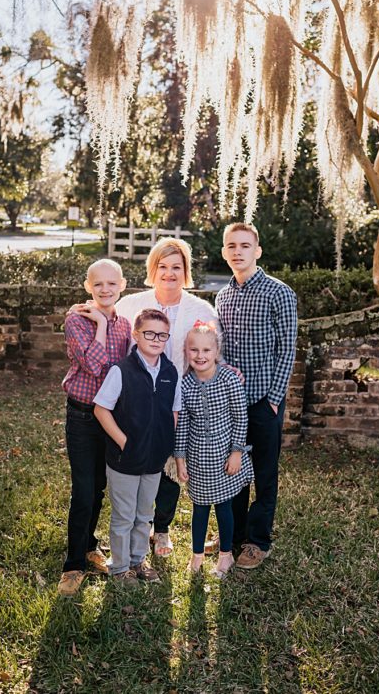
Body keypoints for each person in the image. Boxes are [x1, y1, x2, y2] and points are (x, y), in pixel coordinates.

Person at [113, 237, 216, 558]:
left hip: (179, 400)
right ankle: (132, 526)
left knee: (169, 466)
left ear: (185, 271)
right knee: (136, 462)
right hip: (137, 401)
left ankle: (162, 529)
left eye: (176, 267)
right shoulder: (130, 305)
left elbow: (212, 353)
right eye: (163, 266)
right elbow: (110, 331)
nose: (169, 273)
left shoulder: (201, 310)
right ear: (152, 269)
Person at [214, 223, 298, 569]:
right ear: (224, 252)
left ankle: (257, 541)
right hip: (231, 405)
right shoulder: (222, 296)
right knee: (231, 471)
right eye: (231, 246)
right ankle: (231, 537)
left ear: (257, 251)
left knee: (263, 474)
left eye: (245, 245)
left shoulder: (278, 292)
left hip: (264, 401)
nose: (238, 251)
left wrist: (274, 399)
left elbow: (287, 348)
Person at [58, 258, 132, 597]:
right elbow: (94, 364)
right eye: (98, 284)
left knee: (100, 487)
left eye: (111, 284)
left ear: (122, 285)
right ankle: (73, 565)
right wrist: (100, 325)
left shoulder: (125, 324)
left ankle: (90, 547)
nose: (105, 289)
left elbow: (122, 371)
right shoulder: (76, 319)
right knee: (83, 491)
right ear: (88, 287)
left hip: (110, 417)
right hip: (82, 417)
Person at [92, 308, 181, 585]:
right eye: (149, 333)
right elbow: (101, 409)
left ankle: (137, 561)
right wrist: (125, 442)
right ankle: (119, 569)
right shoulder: (122, 371)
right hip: (125, 458)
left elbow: (174, 411)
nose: (156, 339)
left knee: (144, 514)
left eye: (162, 335)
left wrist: (165, 440)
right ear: (136, 335)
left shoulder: (170, 371)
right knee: (124, 515)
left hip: (154, 457)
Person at [174, 321, 252, 578]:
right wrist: (180, 459)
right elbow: (183, 424)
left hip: (225, 455)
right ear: (187, 352)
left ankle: (226, 555)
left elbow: (241, 417)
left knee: (224, 506)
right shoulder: (185, 385)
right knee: (199, 507)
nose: (200, 356)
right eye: (194, 350)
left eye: (206, 350)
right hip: (198, 457)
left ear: (216, 351)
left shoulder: (229, 379)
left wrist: (237, 451)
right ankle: (196, 557)